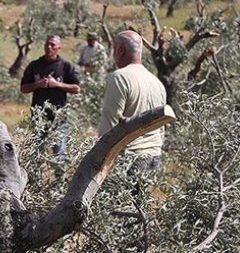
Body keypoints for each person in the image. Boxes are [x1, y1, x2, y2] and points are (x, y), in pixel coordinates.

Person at [97, 30, 167, 174]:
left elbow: (110, 124)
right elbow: (161, 126)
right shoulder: (156, 82)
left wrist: (98, 161)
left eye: (114, 48)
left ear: (121, 50)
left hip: (129, 159)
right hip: (153, 157)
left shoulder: (120, 77)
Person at [20, 34, 81, 163]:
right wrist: (37, 84)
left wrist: (57, 84)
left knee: (58, 155)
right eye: (47, 44)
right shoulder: (34, 65)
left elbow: (76, 88)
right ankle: (34, 180)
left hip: (59, 118)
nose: (49, 47)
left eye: (52, 44)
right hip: (39, 118)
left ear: (58, 47)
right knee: (36, 154)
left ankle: (60, 181)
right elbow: (23, 88)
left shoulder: (65, 66)